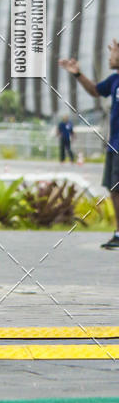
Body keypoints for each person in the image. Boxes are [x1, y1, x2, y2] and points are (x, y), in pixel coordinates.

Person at [59, 39, 119, 249]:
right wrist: (77, 74)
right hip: (114, 144)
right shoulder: (114, 81)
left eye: (113, 52)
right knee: (114, 188)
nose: (109, 56)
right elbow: (95, 90)